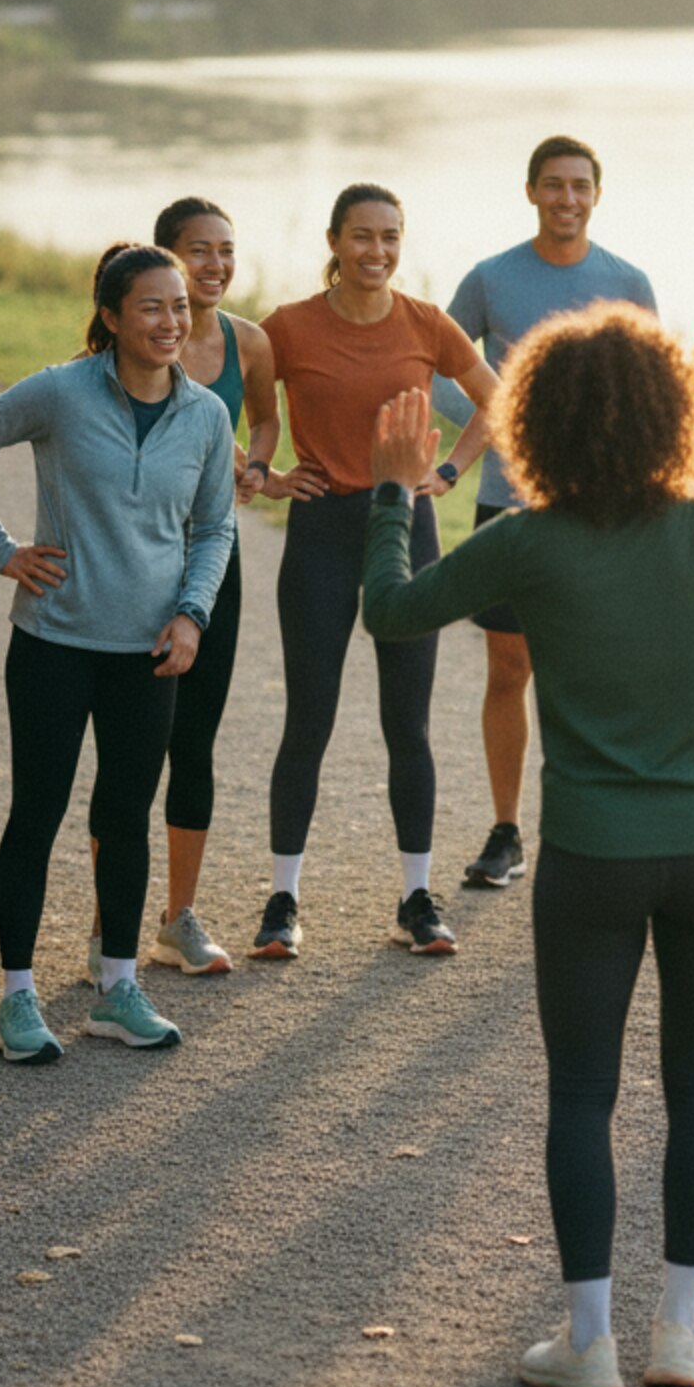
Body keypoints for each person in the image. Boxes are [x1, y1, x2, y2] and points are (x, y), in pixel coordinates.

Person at [361, 307, 694, 1387]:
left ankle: (588, 1344)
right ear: (676, 412)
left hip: (592, 856)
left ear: (540, 425)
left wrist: (394, 491)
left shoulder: (528, 539)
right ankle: (679, 1332)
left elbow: (391, 612)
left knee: (582, 1092)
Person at [0, 243, 237, 1064]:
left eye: (180, 306)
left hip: (150, 651)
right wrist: (3, 551)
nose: (171, 322)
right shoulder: (62, 392)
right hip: (54, 642)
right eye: (152, 307)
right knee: (36, 814)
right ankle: (17, 997)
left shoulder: (206, 415)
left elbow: (215, 527)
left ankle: (117, 989)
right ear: (111, 316)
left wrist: (192, 615)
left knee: (125, 818)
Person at [254, 183, 498, 961]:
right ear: (333, 241)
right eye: (362, 236)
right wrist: (265, 473)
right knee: (308, 721)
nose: (378, 251)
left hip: (406, 527)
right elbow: (228, 401)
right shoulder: (287, 327)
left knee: (408, 725)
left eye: (390, 237)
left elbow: (495, 399)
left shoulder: (425, 322)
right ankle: (283, 900)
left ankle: (416, 898)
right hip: (321, 528)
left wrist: (449, 472)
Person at [431, 136, 658, 888]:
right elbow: (437, 364)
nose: (567, 198)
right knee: (510, 668)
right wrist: (489, 424)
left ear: (597, 194)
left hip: (600, 509)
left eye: (580, 186)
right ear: (531, 191)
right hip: (509, 505)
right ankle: (506, 832)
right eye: (554, 185)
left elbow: (652, 387)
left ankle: (595, 824)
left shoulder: (627, 281)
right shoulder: (491, 278)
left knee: (596, 673)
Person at [83, 197, 280, 980]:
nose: (216, 265)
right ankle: (109, 921)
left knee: (193, 742)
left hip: (213, 563)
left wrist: (255, 467)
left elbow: (265, 421)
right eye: (199, 250)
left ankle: (178, 919)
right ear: (164, 256)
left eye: (226, 250)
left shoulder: (249, 342)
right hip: (133, 563)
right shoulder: (135, 343)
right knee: (128, 749)